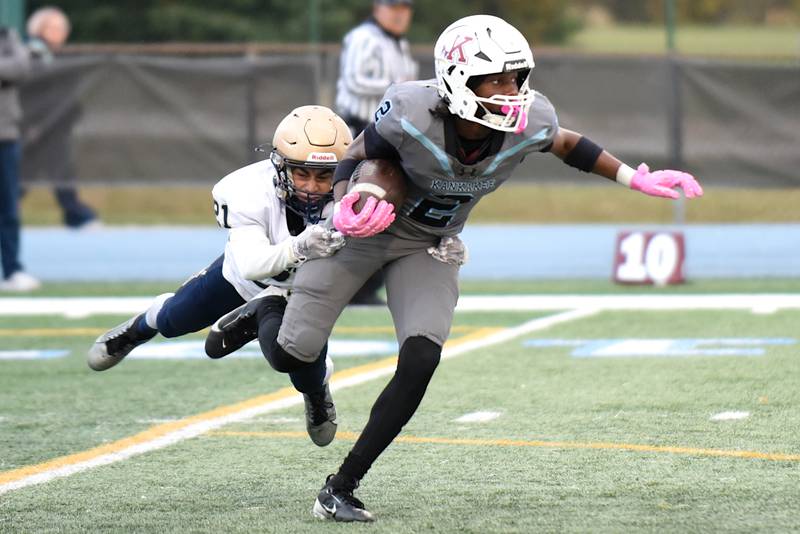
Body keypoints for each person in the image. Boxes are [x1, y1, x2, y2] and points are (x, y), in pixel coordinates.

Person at [213, 15, 703, 522]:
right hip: (363, 235)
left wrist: (631, 177)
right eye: (495, 79)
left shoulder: (529, 119)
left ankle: (341, 485)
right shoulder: (409, 110)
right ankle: (271, 305)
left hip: (428, 245)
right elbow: (356, 156)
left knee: (422, 358)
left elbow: (564, 143)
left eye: (515, 77)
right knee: (294, 354)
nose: (510, 90)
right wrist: (348, 203)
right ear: (458, 80)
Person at [87, 105, 353, 446]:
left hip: (305, 293)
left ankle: (316, 392)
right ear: (280, 166)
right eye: (302, 174)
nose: (312, 188)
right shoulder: (250, 190)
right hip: (245, 282)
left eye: (324, 176)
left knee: (297, 363)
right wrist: (299, 248)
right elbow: (251, 264)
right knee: (173, 320)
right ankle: (140, 327)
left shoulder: (354, 196)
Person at [335, 0, 417, 305]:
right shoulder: (363, 38)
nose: (399, 12)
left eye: (405, 7)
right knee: (358, 205)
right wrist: (397, 86)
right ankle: (350, 285)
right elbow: (355, 80)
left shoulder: (399, 45)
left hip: (390, 136)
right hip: (361, 132)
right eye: (392, 5)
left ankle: (368, 285)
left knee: (390, 209)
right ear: (377, 8)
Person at [22, 6, 99, 229]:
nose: (61, 33)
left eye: (62, 28)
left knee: (62, 172)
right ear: (40, 29)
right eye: (55, 28)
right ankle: (75, 213)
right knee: (20, 178)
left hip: (55, 129)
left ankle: (75, 214)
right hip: (33, 128)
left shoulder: (57, 57)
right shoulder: (29, 55)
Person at [0, 25, 39, 292]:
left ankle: (12, 269)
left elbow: (21, 68)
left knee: (8, 209)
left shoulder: (7, 35)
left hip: (5, 137)